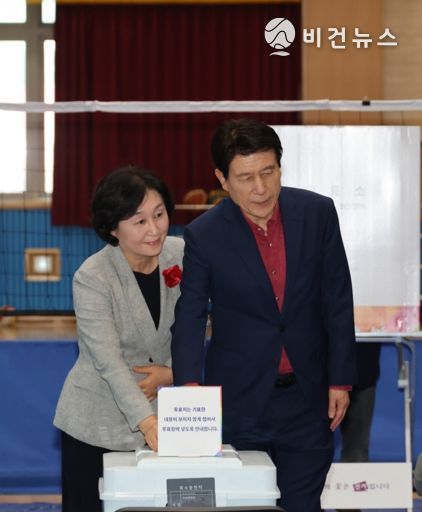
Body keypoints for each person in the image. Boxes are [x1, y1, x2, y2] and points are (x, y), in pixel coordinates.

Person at [171, 118, 357, 512]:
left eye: (268, 172)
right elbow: (190, 314)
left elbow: (337, 300)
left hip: (308, 397)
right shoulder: (204, 234)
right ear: (222, 179)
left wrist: (340, 379)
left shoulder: (317, 213)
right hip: (240, 400)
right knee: (245, 505)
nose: (260, 188)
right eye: (245, 177)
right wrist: (188, 387)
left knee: (303, 504)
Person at [54, 166, 184, 512]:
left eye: (159, 214)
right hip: (97, 422)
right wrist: (148, 422)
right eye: (139, 221)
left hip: (166, 414)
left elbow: (198, 325)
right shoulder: (92, 277)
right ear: (113, 228)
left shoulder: (181, 254)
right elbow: (109, 362)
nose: (154, 229)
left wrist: (174, 372)